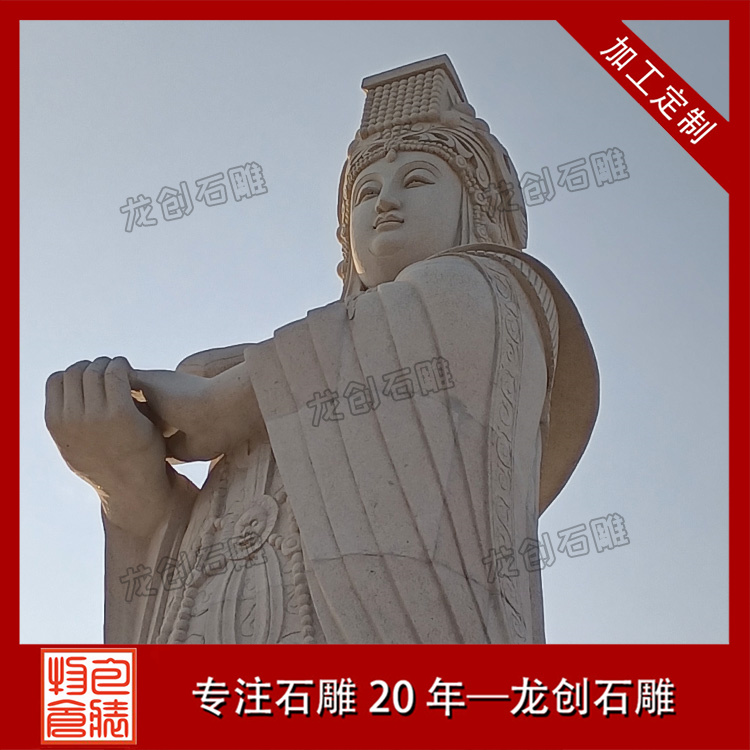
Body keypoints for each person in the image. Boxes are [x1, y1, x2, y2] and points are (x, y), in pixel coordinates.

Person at [45, 55, 598, 644]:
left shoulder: (496, 294)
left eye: (417, 180)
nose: (385, 202)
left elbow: (413, 320)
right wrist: (129, 484)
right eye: (366, 192)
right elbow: (180, 566)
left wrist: (217, 400)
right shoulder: (290, 374)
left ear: (476, 207)